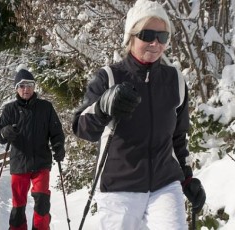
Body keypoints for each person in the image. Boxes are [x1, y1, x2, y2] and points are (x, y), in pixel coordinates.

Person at [72, 0, 206, 229]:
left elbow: (178, 137)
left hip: (165, 183)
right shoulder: (109, 77)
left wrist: (187, 178)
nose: (155, 43)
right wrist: (103, 106)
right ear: (131, 36)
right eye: (147, 34)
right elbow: (81, 127)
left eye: (162, 37)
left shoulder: (175, 81)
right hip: (119, 187)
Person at [0, 68, 66, 230]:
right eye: (22, 86)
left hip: (41, 162)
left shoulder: (46, 107)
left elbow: (56, 132)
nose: (26, 89)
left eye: (29, 85)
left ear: (34, 87)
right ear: (16, 88)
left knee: (42, 201)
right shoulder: (9, 110)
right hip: (19, 163)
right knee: (18, 205)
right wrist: (5, 132)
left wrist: (59, 146)